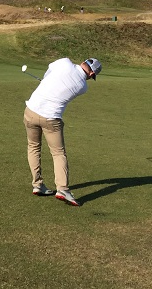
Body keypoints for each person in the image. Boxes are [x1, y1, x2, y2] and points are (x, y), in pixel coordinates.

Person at [23, 57, 102, 206]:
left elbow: (49, 71)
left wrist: (47, 82)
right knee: (58, 153)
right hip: (51, 119)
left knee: (33, 146)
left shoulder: (64, 62)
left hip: (30, 111)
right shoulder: (83, 86)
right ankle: (62, 189)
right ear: (91, 74)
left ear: (83, 62)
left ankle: (37, 185)